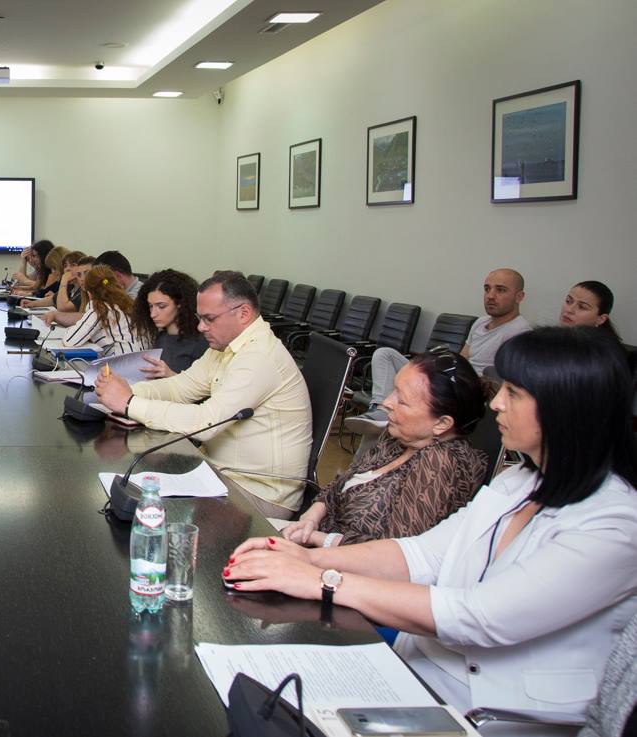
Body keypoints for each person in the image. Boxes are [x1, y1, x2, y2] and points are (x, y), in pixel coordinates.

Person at [226, 327, 637, 729]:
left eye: (514, 393)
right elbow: (420, 553)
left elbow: (479, 616)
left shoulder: (613, 525)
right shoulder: (518, 483)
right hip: (417, 674)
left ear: (566, 409)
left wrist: (323, 580)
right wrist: (307, 557)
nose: (497, 404)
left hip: (484, 713)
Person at [94, 271, 312, 519]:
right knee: (133, 492)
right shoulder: (226, 346)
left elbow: (206, 422)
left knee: (146, 511)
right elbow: (181, 387)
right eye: (200, 318)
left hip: (257, 493)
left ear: (243, 313)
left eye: (209, 319)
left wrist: (129, 403)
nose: (201, 327)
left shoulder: (259, 357)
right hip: (216, 472)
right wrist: (128, 389)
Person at [282, 350, 489, 547]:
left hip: (343, 565)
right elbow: (341, 483)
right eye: (393, 390)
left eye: (402, 401)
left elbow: (395, 551)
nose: (387, 402)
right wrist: (312, 517)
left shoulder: (442, 464)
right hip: (316, 539)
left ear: (442, 423)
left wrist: (319, 539)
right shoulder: (400, 435)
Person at [349, 268, 532, 431]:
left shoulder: (519, 332)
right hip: (452, 379)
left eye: (500, 290)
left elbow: (503, 384)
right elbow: (461, 360)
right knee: (384, 354)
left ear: (519, 297)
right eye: (487, 289)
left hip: (468, 392)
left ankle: (387, 414)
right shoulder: (480, 322)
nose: (490, 296)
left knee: (402, 403)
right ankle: (380, 409)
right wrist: (437, 366)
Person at [129, 269, 209, 378]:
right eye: (151, 306)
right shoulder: (160, 338)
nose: (153, 314)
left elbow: (204, 385)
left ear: (180, 304)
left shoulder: (200, 343)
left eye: (161, 306)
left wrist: (170, 375)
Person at [60, 265, 147, 356]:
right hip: (142, 358)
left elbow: (69, 340)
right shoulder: (128, 302)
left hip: (121, 360)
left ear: (90, 292)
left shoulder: (101, 308)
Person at [39, 254, 96, 328]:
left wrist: (64, 281)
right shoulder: (81, 291)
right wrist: (32, 304)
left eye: (73, 265)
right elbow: (52, 298)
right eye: (79, 274)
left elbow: (63, 308)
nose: (82, 278)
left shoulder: (95, 296)